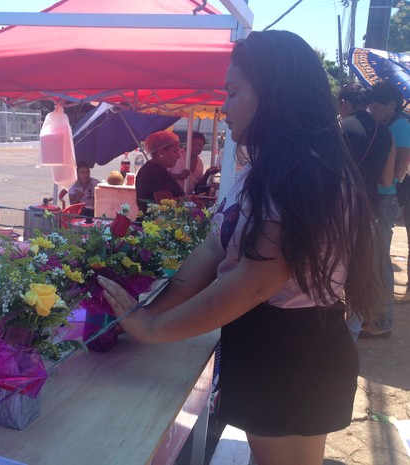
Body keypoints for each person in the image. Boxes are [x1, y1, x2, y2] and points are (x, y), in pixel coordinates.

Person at [100, 30, 382, 465]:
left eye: (233, 93)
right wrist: (152, 312)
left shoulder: (302, 175)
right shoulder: (268, 170)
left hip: (291, 351)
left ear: (273, 94)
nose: (224, 107)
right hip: (272, 344)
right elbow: (215, 248)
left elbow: (252, 282)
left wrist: (154, 330)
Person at [338, 83, 395, 340]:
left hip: (337, 209)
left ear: (344, 103)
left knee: (330, 269)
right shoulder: (386, 134)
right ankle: (351, 333)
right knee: (359, 273)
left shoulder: (339, 128)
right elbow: (386, 181)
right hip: (369, 211)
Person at [368, 81, 410, 309]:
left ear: (392, 105)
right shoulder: (390, 124)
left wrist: (389, 182)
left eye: (376, 108)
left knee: (381, 258)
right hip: (384, 194)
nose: (372, 113)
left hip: (388, 195)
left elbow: (402, 167)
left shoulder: (400, 126)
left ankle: (382, 318)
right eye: (370, 108)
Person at [135, 131, 185, 213]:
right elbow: (166, 207)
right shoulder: (157, 173)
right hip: (157, 224)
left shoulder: (147, 169)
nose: (178, 156)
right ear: (161, 152)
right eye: (175, 152)